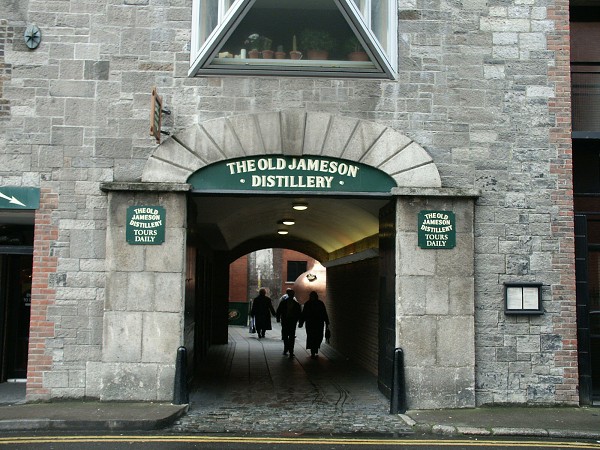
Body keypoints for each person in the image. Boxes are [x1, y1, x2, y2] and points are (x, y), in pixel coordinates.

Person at [299, 291, 329, 358]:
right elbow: (304, 313)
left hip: (313, 323)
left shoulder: (309, 304)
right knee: (313, 336)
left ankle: (315, 348)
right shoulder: (319, 304)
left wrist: (327, 322)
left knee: (316, 336)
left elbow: (324, 313)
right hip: (315, 323)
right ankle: (314, 350)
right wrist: (301, 322)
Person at [276, 288, 301, 358]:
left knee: (291, 336)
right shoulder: (291, 303)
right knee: (286, 336)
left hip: (291, 322)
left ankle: (290, 350)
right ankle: (287, 349)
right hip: (286, 321)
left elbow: (299, 313)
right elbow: (279, 311)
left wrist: (300, 321)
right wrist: (278, 318)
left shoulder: (295, 304)